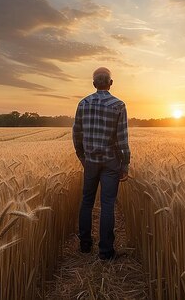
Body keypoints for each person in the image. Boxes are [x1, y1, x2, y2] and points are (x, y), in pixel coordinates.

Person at [72, 66, 130, 260]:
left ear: (94, 83)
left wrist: (82, 156)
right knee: (107, 205)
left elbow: (76, 133)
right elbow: (122, 139)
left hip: (90, 161)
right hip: (111, 163)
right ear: (111, 83)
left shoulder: (83, 103)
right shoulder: (118, 105)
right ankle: (106, 252)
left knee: (87, 202)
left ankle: (85, 245)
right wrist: (125, 164)